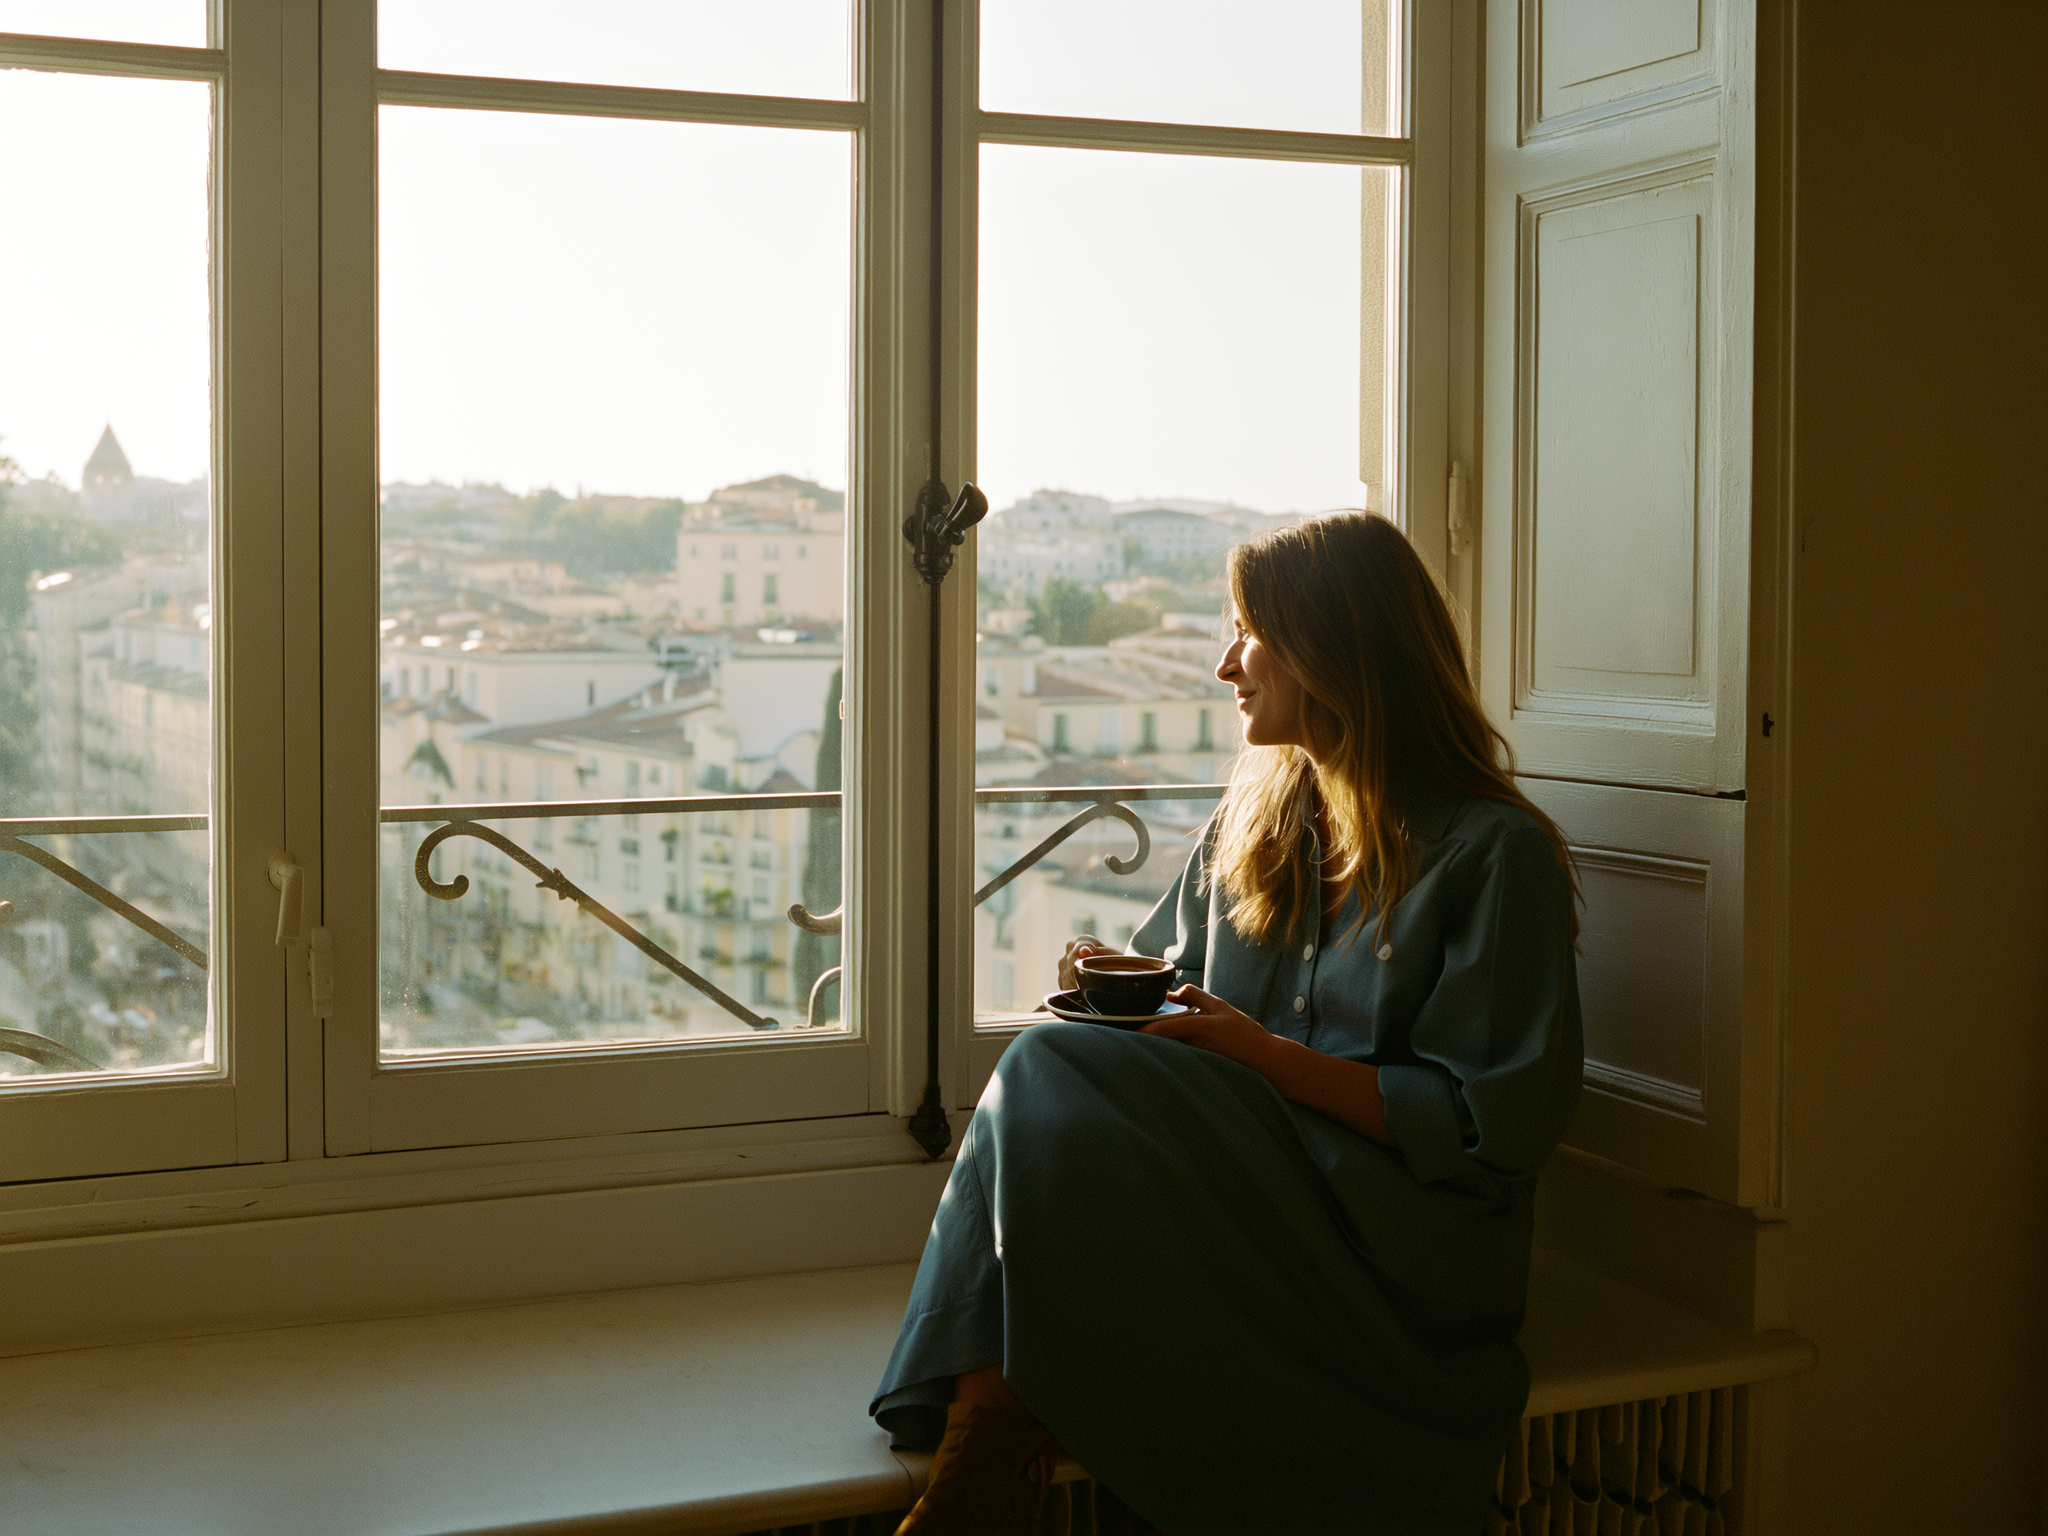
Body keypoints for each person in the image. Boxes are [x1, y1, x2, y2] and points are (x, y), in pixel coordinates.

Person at [871, 512, 1583, 1536]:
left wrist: (1267, 1060)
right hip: (1249, 1195)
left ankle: (984, 1463)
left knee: (1040, 1070)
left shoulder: (1488, 855)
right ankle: (988, 1450)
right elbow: (1171, 992)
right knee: (1051, 1063)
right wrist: (1109, 982)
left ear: (1332, 649)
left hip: (1393, 1247)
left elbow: (1490, 1129)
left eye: (1246, 630)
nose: (1222, 663)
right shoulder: (1255, 822)